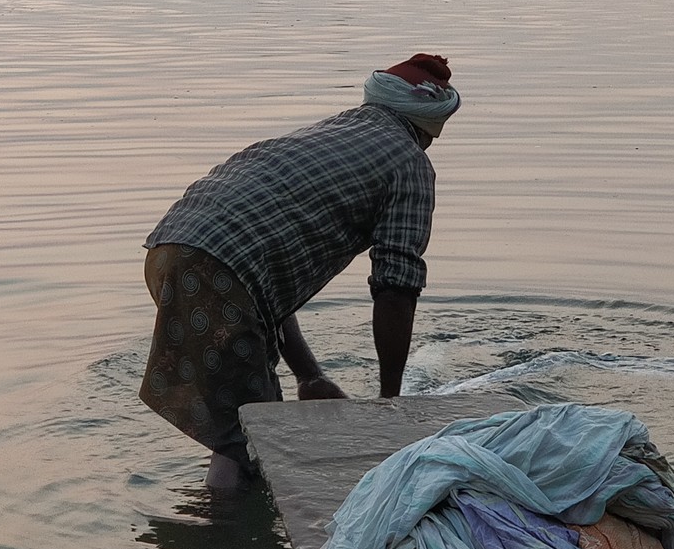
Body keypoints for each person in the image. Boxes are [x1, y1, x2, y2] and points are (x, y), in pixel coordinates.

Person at [140, 54, 462, 489]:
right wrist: (390, 405)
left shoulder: (331, 132)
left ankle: (223, 526)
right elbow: (396, 288)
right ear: (431, 122)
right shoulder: (409, 163)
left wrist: (308, 374)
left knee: (245, 426)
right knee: (255, 443)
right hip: (217, 273)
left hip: (173, 249)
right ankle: (224, 543)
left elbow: (262, 279)